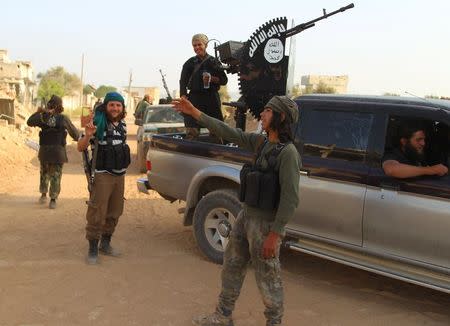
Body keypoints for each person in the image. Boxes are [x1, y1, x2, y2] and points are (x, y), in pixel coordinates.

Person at [172, 96, 301, 326]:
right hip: (245, 216)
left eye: (268, 111)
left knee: (268, 278)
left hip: (265, 226)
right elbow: (227, 131)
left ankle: (274, 322)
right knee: (231, 266)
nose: (262, 114)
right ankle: (223, 315)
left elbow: (290, 198)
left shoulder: (288, 154)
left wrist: (275, 233)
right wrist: (194, 113)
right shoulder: (261, 143)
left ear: (281, 117)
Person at [77, 92, 131, 265]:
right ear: (106, 106)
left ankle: (105, 244)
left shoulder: (122, 125)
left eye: (118, 105)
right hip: (102, 175)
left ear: (122, 108)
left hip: (119, 176)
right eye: (112, 105)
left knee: (115, 212)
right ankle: (93, 247)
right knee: (97, 213)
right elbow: (80, 147)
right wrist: (88, 135)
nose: (115, 108)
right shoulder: (97, 124)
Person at [27, 95, 79, 209]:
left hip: (45, 151)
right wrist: (82, 139)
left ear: (49, 105)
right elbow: (75, 133)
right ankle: (53, 199)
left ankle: (43, 195)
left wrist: (41, 112)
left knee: (44, 173)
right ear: (60, 106)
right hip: (57, 152)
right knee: (55, 175)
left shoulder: (42, 117)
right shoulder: (63, 118)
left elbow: (29, 121)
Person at [179, 33, 228, 140]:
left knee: (216, 132)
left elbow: (224, 80)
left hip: (212, 99)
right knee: (192, 133)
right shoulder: (190, 63)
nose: (197, 48)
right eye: (194, 45)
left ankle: (216, 155)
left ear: (205, 45)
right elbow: (183, 82)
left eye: (199, 44)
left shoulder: (214, 62)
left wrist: (212, 79)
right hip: (194, 100)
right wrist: (183, 96)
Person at [382, 124, 448, 178]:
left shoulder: (415, 154)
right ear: (404, 141)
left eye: (424, 139)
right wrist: (431, 170)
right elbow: (391, 170)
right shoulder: (392, 154)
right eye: (419, 140)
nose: (423, 143)